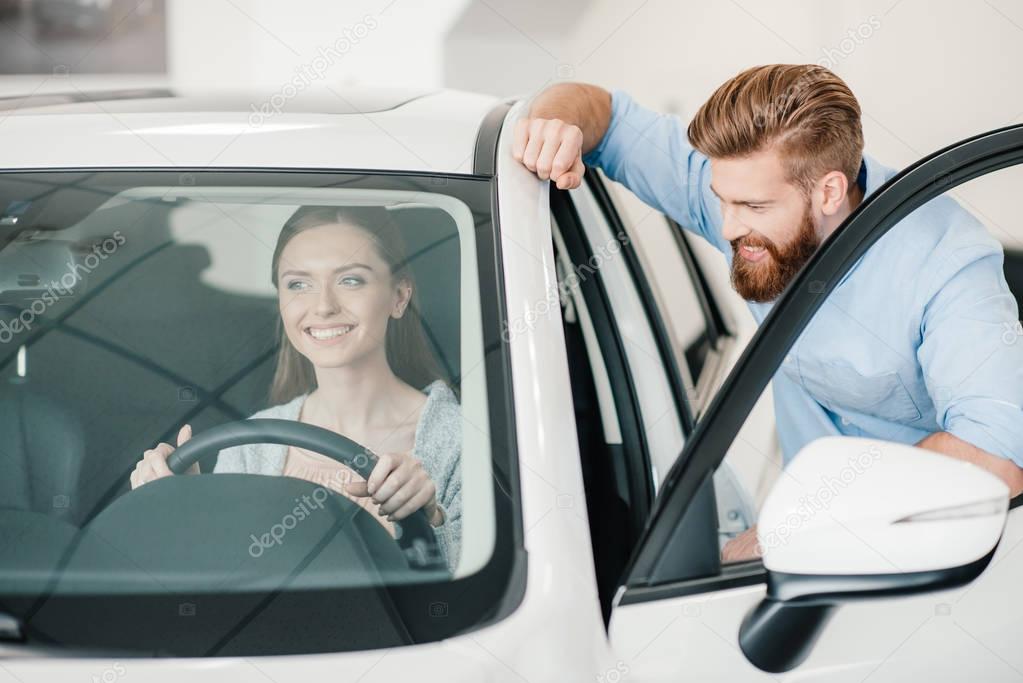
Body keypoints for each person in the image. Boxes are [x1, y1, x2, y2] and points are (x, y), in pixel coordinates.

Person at [513, 65, 1023, 561]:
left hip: (923, 553)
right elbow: (602, 112)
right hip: (801, 547)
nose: (729, 228)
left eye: (753, 208)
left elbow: (994, 462)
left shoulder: (947, 264)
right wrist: (550, 126)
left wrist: (785, 529)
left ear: (828, 191)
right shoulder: (746, 198)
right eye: (721, 200)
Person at [130, 205, 462, 570]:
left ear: (399, 297)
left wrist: (430, 520)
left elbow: (486, 598)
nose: (322, 306)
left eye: (350, 280)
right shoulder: (251, 444)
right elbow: (224, 586)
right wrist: (191, 510)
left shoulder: (461, 440)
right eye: (298, 284)